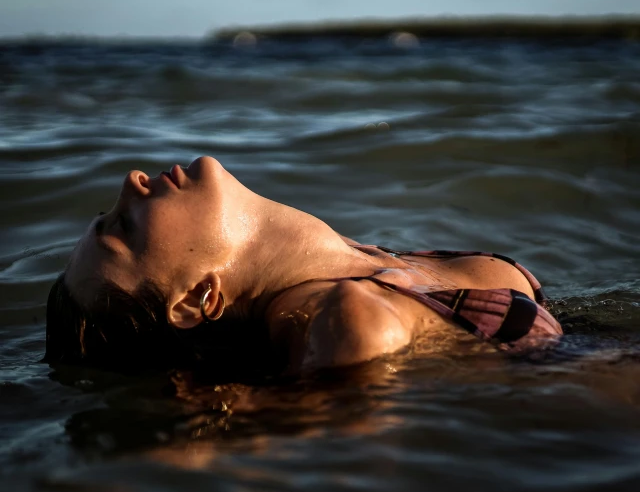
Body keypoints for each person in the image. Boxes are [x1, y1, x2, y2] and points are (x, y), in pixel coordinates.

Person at [45, 156, 563, 377]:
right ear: (198, 298)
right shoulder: (342, 315)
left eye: (106, 216)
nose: (131, 182)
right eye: (123, 228)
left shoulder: (358, 262)